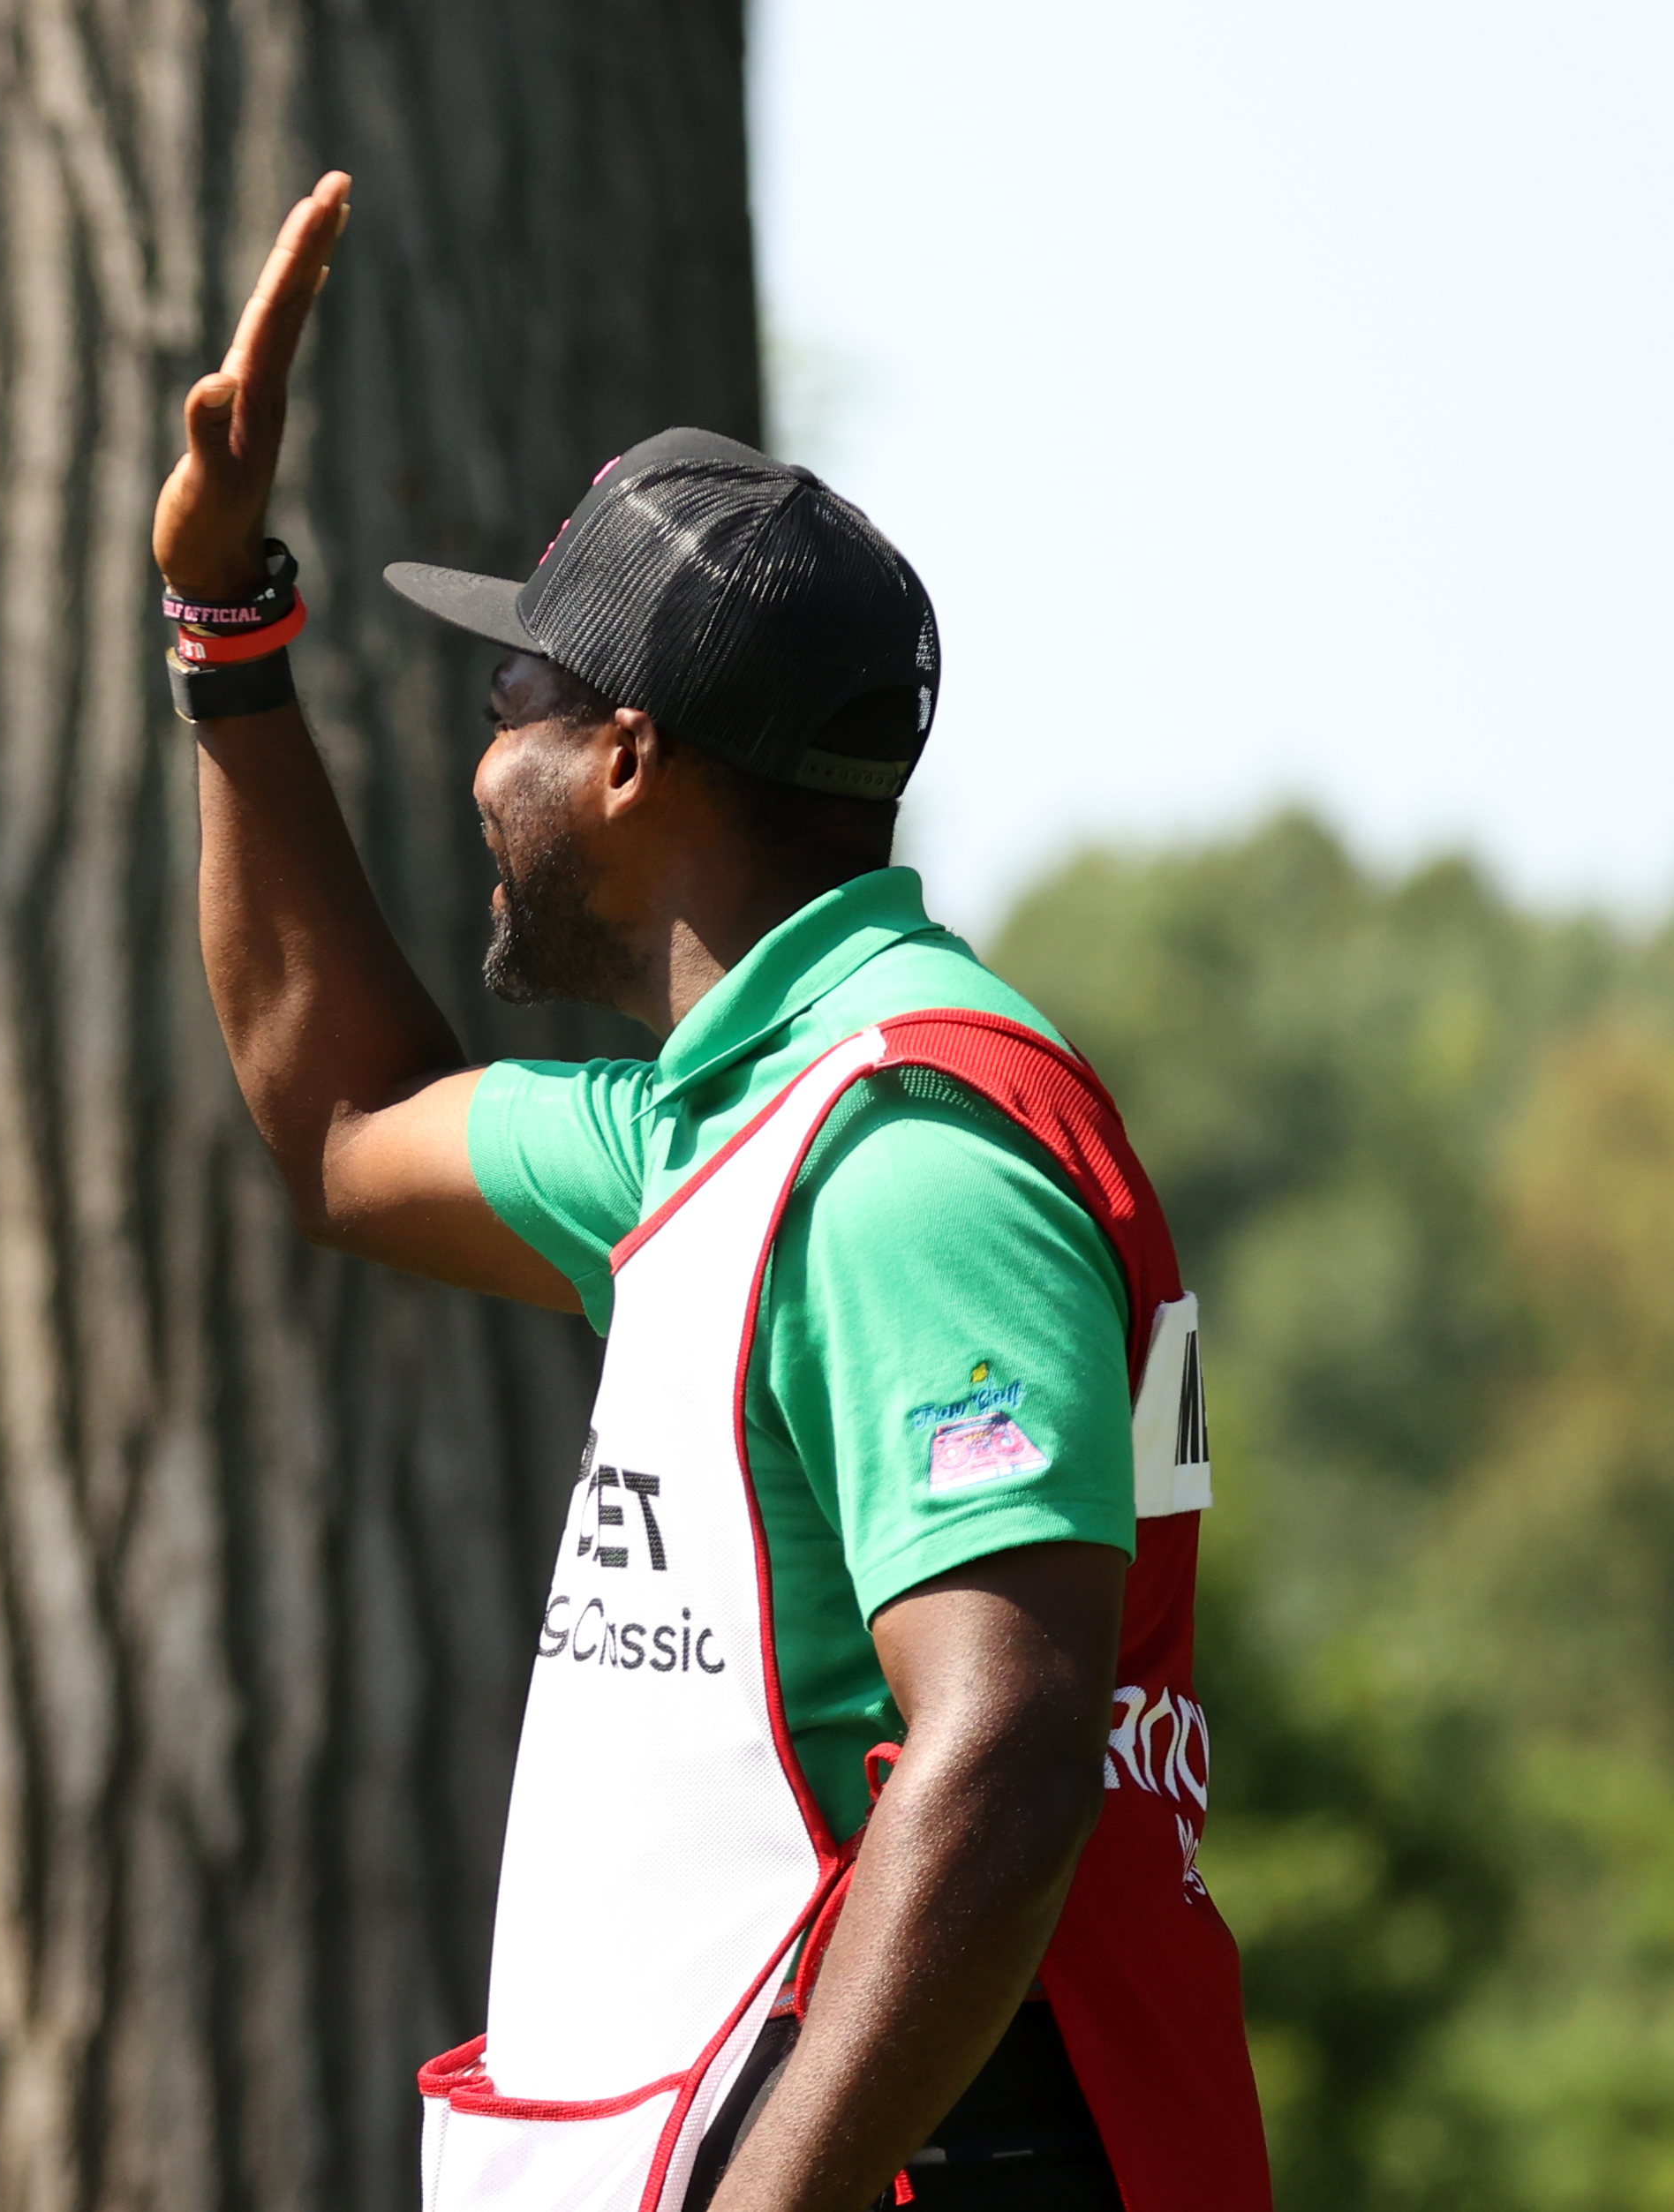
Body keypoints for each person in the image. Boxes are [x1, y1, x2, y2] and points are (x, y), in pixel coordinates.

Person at [155, 177, 1272, 2212]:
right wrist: (230, 633)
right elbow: (343, 1129)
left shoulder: (909, 1147)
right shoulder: (717, 1121)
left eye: (514, 704)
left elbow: (1009, 1748)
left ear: (631, 757)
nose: (477, 760)